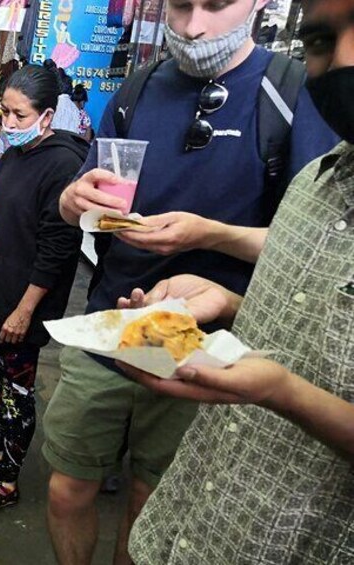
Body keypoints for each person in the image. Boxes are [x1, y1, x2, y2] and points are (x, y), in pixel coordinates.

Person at [44, 0, 340, 561]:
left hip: (205, 335)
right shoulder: (136, 90)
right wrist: (69, 200)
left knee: (151, 498)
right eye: (180, 6)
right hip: (115, 318)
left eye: (216, 5)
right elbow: (88, 199)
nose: (194, 26)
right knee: (67, 486)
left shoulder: (291, 91)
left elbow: (315, 246)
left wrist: (209, 235)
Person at [123, 2, 354, 561]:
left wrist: (282, 392)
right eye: (323, 41)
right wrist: (229, 304)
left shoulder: (282, 98)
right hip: (188, 526)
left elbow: (291, 375)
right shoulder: (319, 181)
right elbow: (311, 310)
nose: (344, 60)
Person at [0, 65, 89, 515]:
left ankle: (8, 480)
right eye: (5, 113)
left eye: (19, 115)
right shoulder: (14, 155)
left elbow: (58, 248)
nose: (9, 124)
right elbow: (3, 210)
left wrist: (24, 311)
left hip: (25, 304)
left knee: (16, 394)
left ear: (47, 115)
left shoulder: (63, 164)